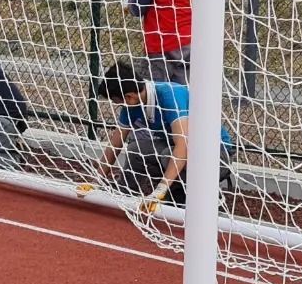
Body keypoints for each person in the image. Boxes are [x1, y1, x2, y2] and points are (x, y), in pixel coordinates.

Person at [86, 59, 233, 214]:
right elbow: (115, 144)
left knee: (168, 154)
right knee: (137, 149)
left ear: (129, 97)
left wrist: (161, 188)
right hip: (179, 150)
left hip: (216, 155)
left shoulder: (169, 95)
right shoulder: (132, 105)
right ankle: (125, 193)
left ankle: (204, 197)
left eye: (117, 101)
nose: (118, 105)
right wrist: (96, 180)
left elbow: (182, 146)